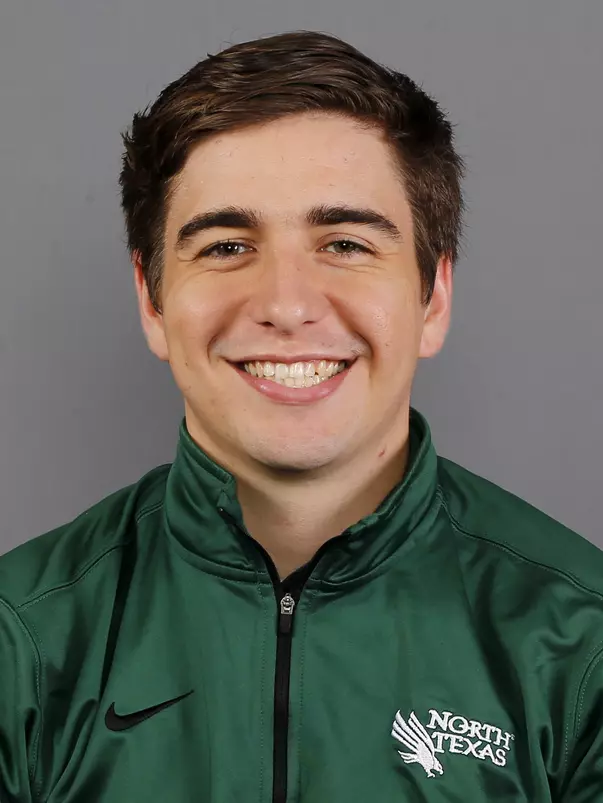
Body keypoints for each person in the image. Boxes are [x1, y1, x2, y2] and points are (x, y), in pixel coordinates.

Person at [0, 29, 601, 803]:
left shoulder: (580, 643)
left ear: (433, 297)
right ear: (151, 300)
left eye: (344, 243)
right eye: (226, 246)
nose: (285, 304)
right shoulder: (20, 640)